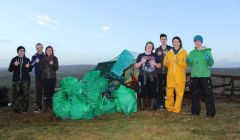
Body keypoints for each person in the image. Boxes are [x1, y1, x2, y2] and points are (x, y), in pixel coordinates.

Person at [187, 35, 216, 118]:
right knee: (195, 94)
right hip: (194, 76)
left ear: (201, 42)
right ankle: (195, 112)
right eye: (195, 41)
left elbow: (211, 64)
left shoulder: (207, 51)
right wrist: (188, 61)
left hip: (205, 76)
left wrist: (208, 59)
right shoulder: (192, 52)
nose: (197, 42)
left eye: (199, 41)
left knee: (208, 94)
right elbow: (190, 65)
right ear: (194, 42)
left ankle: (210, 113)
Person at [163, 36, 187, 113]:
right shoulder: (169, 52)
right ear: (172, 43)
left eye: (177, 42)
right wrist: (166, 61)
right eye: (174, 42)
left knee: (179, 94)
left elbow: (187, 64)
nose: (175, 43)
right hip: (170, 77)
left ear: (180, 43)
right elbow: (165, 64)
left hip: (180, 77)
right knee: (169, 93)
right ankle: (170, 107)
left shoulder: (184, 52)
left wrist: (179, 62)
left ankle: (177, 109)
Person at [136, 41, 161, 110]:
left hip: (153, 76)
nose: (149, 47)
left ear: (152, 47)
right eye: (148, 46)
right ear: (145, 47)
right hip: (142, 76)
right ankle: (141, 107)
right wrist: (141, 62)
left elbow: (159, 66)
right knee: (142, 90)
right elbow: (136, 66)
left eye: (151, 46)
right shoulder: (140, 55)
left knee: (152, 90)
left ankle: (152, 107)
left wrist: (155, 63)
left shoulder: (155, 55)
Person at [8, 46, 32, 113]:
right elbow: (10, 69)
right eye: (20, 50)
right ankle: (16, 110)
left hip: (26, 80)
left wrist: (28, 67)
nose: (22, 52)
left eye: (23, 50)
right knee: (16, 95)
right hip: (16, 81)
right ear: (18, 52)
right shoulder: (14, 59)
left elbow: (30, 70)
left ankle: (25, 110)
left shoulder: (27, 59)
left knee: (25, 95)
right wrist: (14, 65)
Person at [155, 34, 172, 109]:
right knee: (160, 88)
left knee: (168, 88)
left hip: (168, 72)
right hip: (159, 72)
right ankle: (160, 103)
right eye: (162, 39)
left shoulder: (170, 48)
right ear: (160, 40)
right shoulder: (157, 49)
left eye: (164, 39)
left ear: (166, 40)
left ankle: (168, 103)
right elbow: (155, 60)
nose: (163, 40)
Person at [41, 46, 58, 111]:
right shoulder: (43, 58)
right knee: (46, 93)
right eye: (48, 50)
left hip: (52, 78)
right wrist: (43, 76)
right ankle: (46, 107)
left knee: (51, 92)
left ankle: (51, 107)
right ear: (46, 51)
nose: (49, 51)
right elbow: (41, 68)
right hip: (45, 78)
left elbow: (56, 68)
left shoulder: (55, 58)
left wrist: (52, 64)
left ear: (52, 51)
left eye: (50, 50)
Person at [31, 43, 45, 113]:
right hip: (38, 77)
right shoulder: (34, 56)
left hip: (46, 77)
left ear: (42, 48)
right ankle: (38, 107)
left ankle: (47, 107)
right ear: (36, 49)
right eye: (37, 48)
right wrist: (34, 62)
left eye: (40, 47)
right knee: (38, 92)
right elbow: (30, 66)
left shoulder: (45, 55)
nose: (39, 49)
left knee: (46, 92)